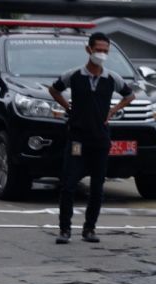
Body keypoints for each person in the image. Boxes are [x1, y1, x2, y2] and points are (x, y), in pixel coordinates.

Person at [48, 32, 136, 244]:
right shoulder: (74, 76)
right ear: (88, 50)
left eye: (105, 51)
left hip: (100, 139)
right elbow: (54, 89)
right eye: (98, 50)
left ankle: (89, 229)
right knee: (69, 184)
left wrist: (113, 110)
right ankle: (65, 229)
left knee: (97, 186)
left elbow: (130, 95)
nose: (102, 54)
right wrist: (67, 106)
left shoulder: (111, 78)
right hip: (78, 138)